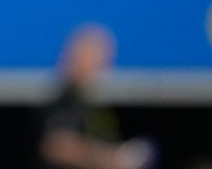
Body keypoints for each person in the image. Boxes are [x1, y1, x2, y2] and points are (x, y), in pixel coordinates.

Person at [38, 24, 156, 169]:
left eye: (105, 56)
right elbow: (58, 145)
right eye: (92, 56)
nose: (102, 64)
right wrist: (111, 158)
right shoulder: (64, 98)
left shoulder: (92, 103)